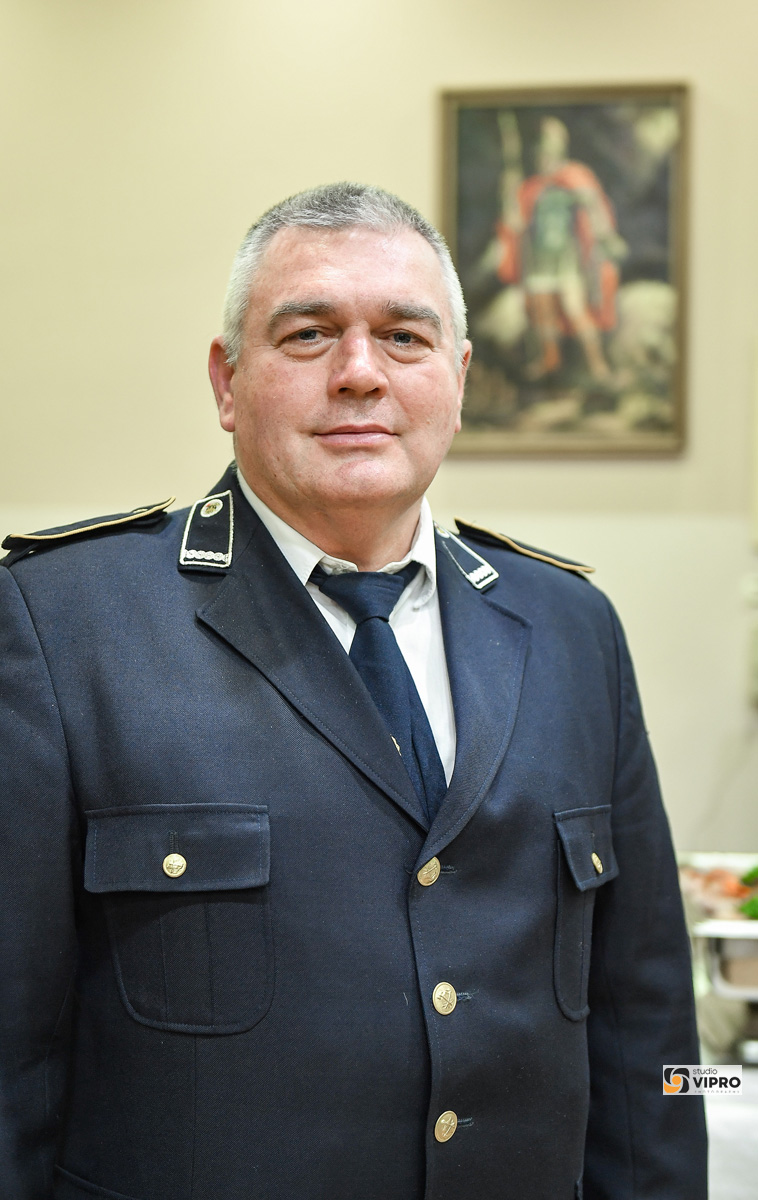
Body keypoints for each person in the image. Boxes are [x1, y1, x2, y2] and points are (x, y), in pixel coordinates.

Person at [0, 183, 706, 1200]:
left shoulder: (571, 629)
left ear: (458, 380)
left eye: (404, 338)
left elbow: (651, 1034)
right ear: (227, 381)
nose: (360, 373)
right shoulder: (63, 625)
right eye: (309, 335)